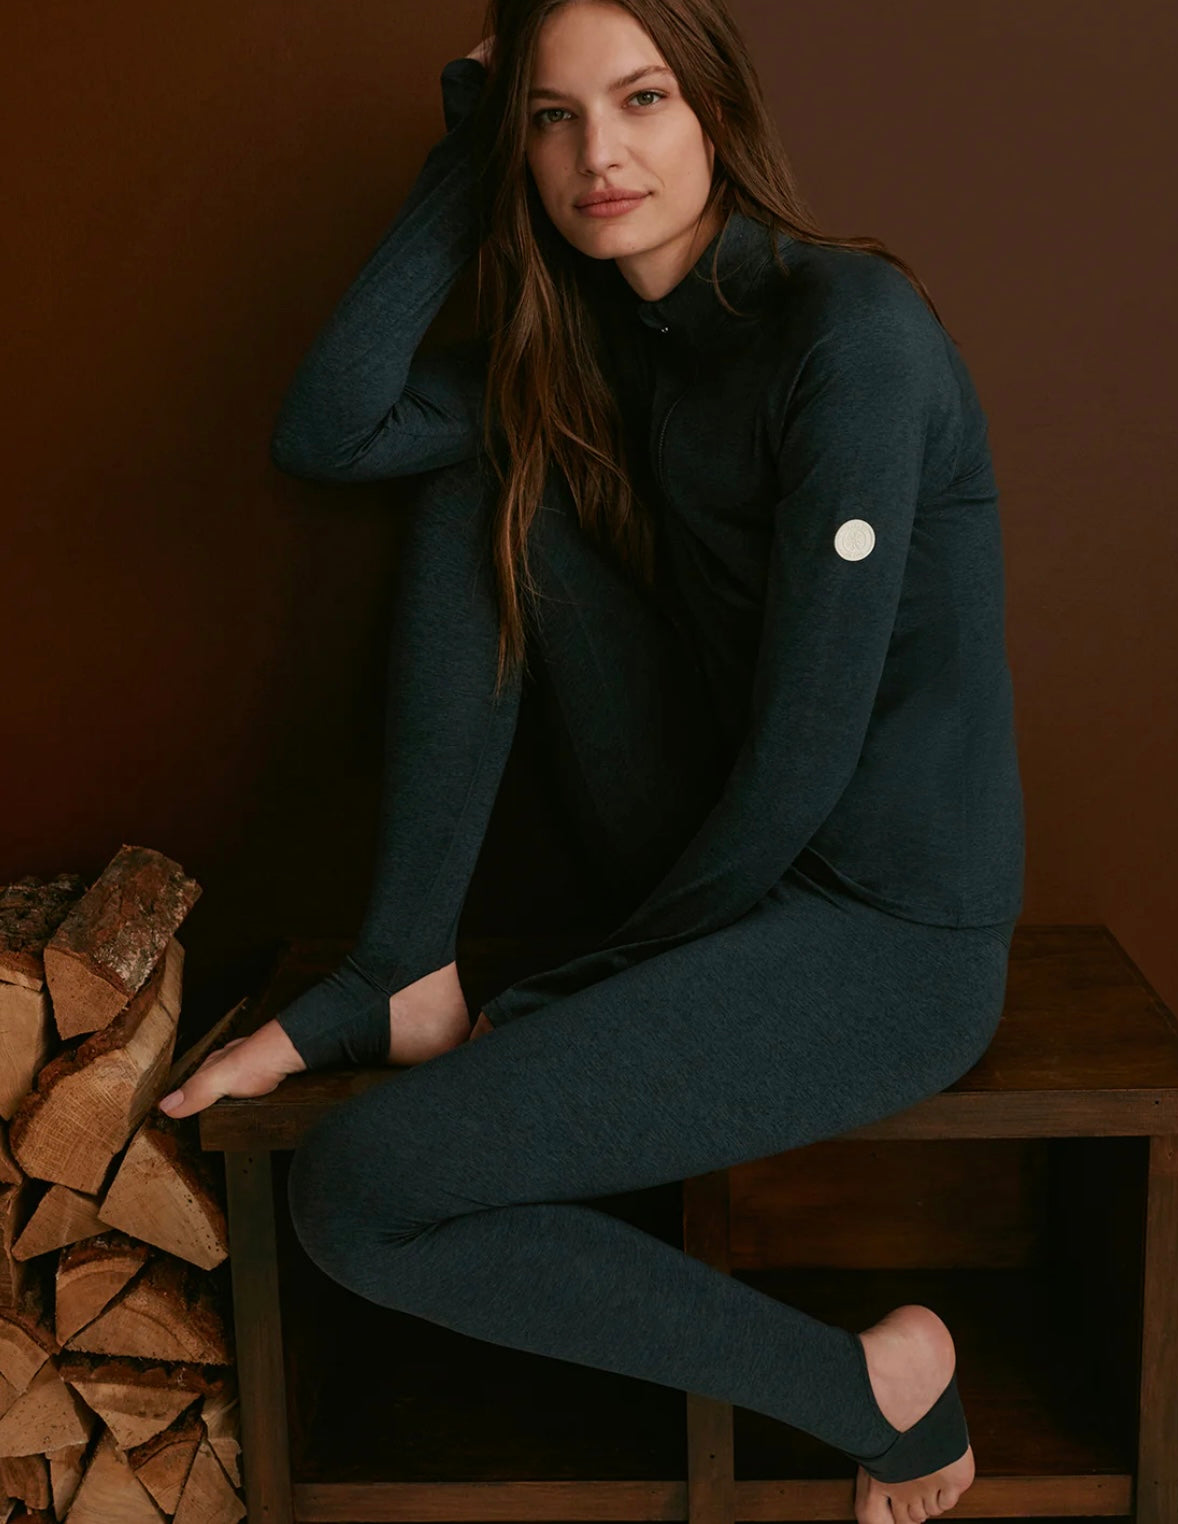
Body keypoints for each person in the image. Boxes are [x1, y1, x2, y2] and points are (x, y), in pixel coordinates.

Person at [160, 1, 1025, 1516]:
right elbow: (331, 429)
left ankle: (871, 1391)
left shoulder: (853, 335)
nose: (598, 154)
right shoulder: (604, 344)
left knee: (359, 1193)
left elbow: (804, 763)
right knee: (485, 453)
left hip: (883, 933)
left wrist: (571, 997)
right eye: (551, 117)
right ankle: (401, 963)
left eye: (640, 99)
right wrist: (464, 157)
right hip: (709, 856)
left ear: (717, 111)